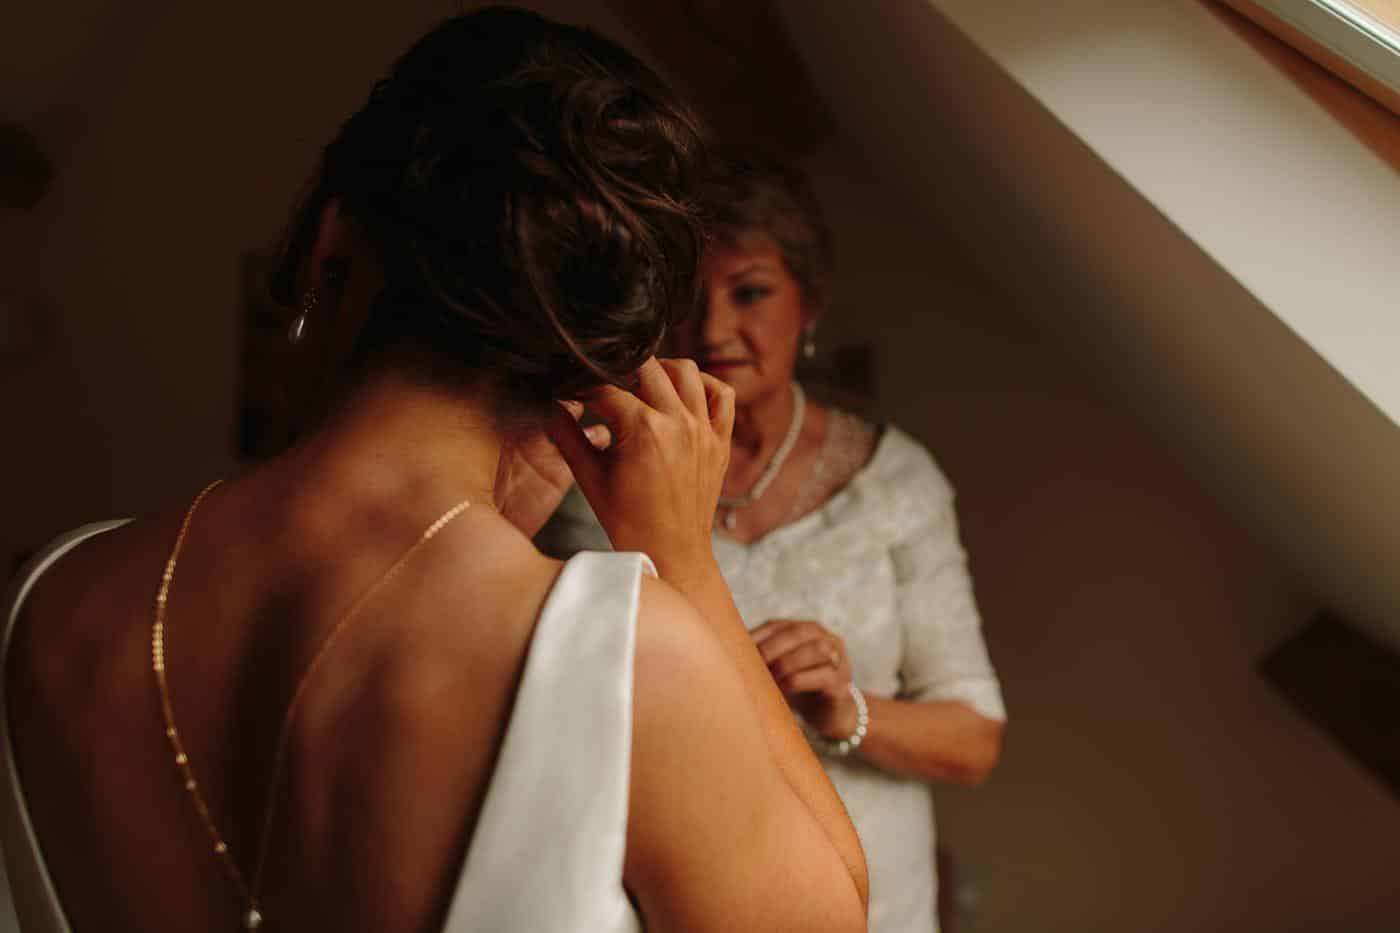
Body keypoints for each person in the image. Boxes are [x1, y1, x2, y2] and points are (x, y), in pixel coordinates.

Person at [0, 13, 869, 933]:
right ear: (596, 353)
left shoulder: (52, 596)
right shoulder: (624, 656)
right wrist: (682, 556)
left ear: (331, 241)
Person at [540, 148, 1005, 933]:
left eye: (750, 291)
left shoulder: (895, 484)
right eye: (688, 298)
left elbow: (974, 741)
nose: (714, 328)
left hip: (871, 905)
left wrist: (846, 709)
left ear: (809, 304)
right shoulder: (592, 475)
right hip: (662, 901)